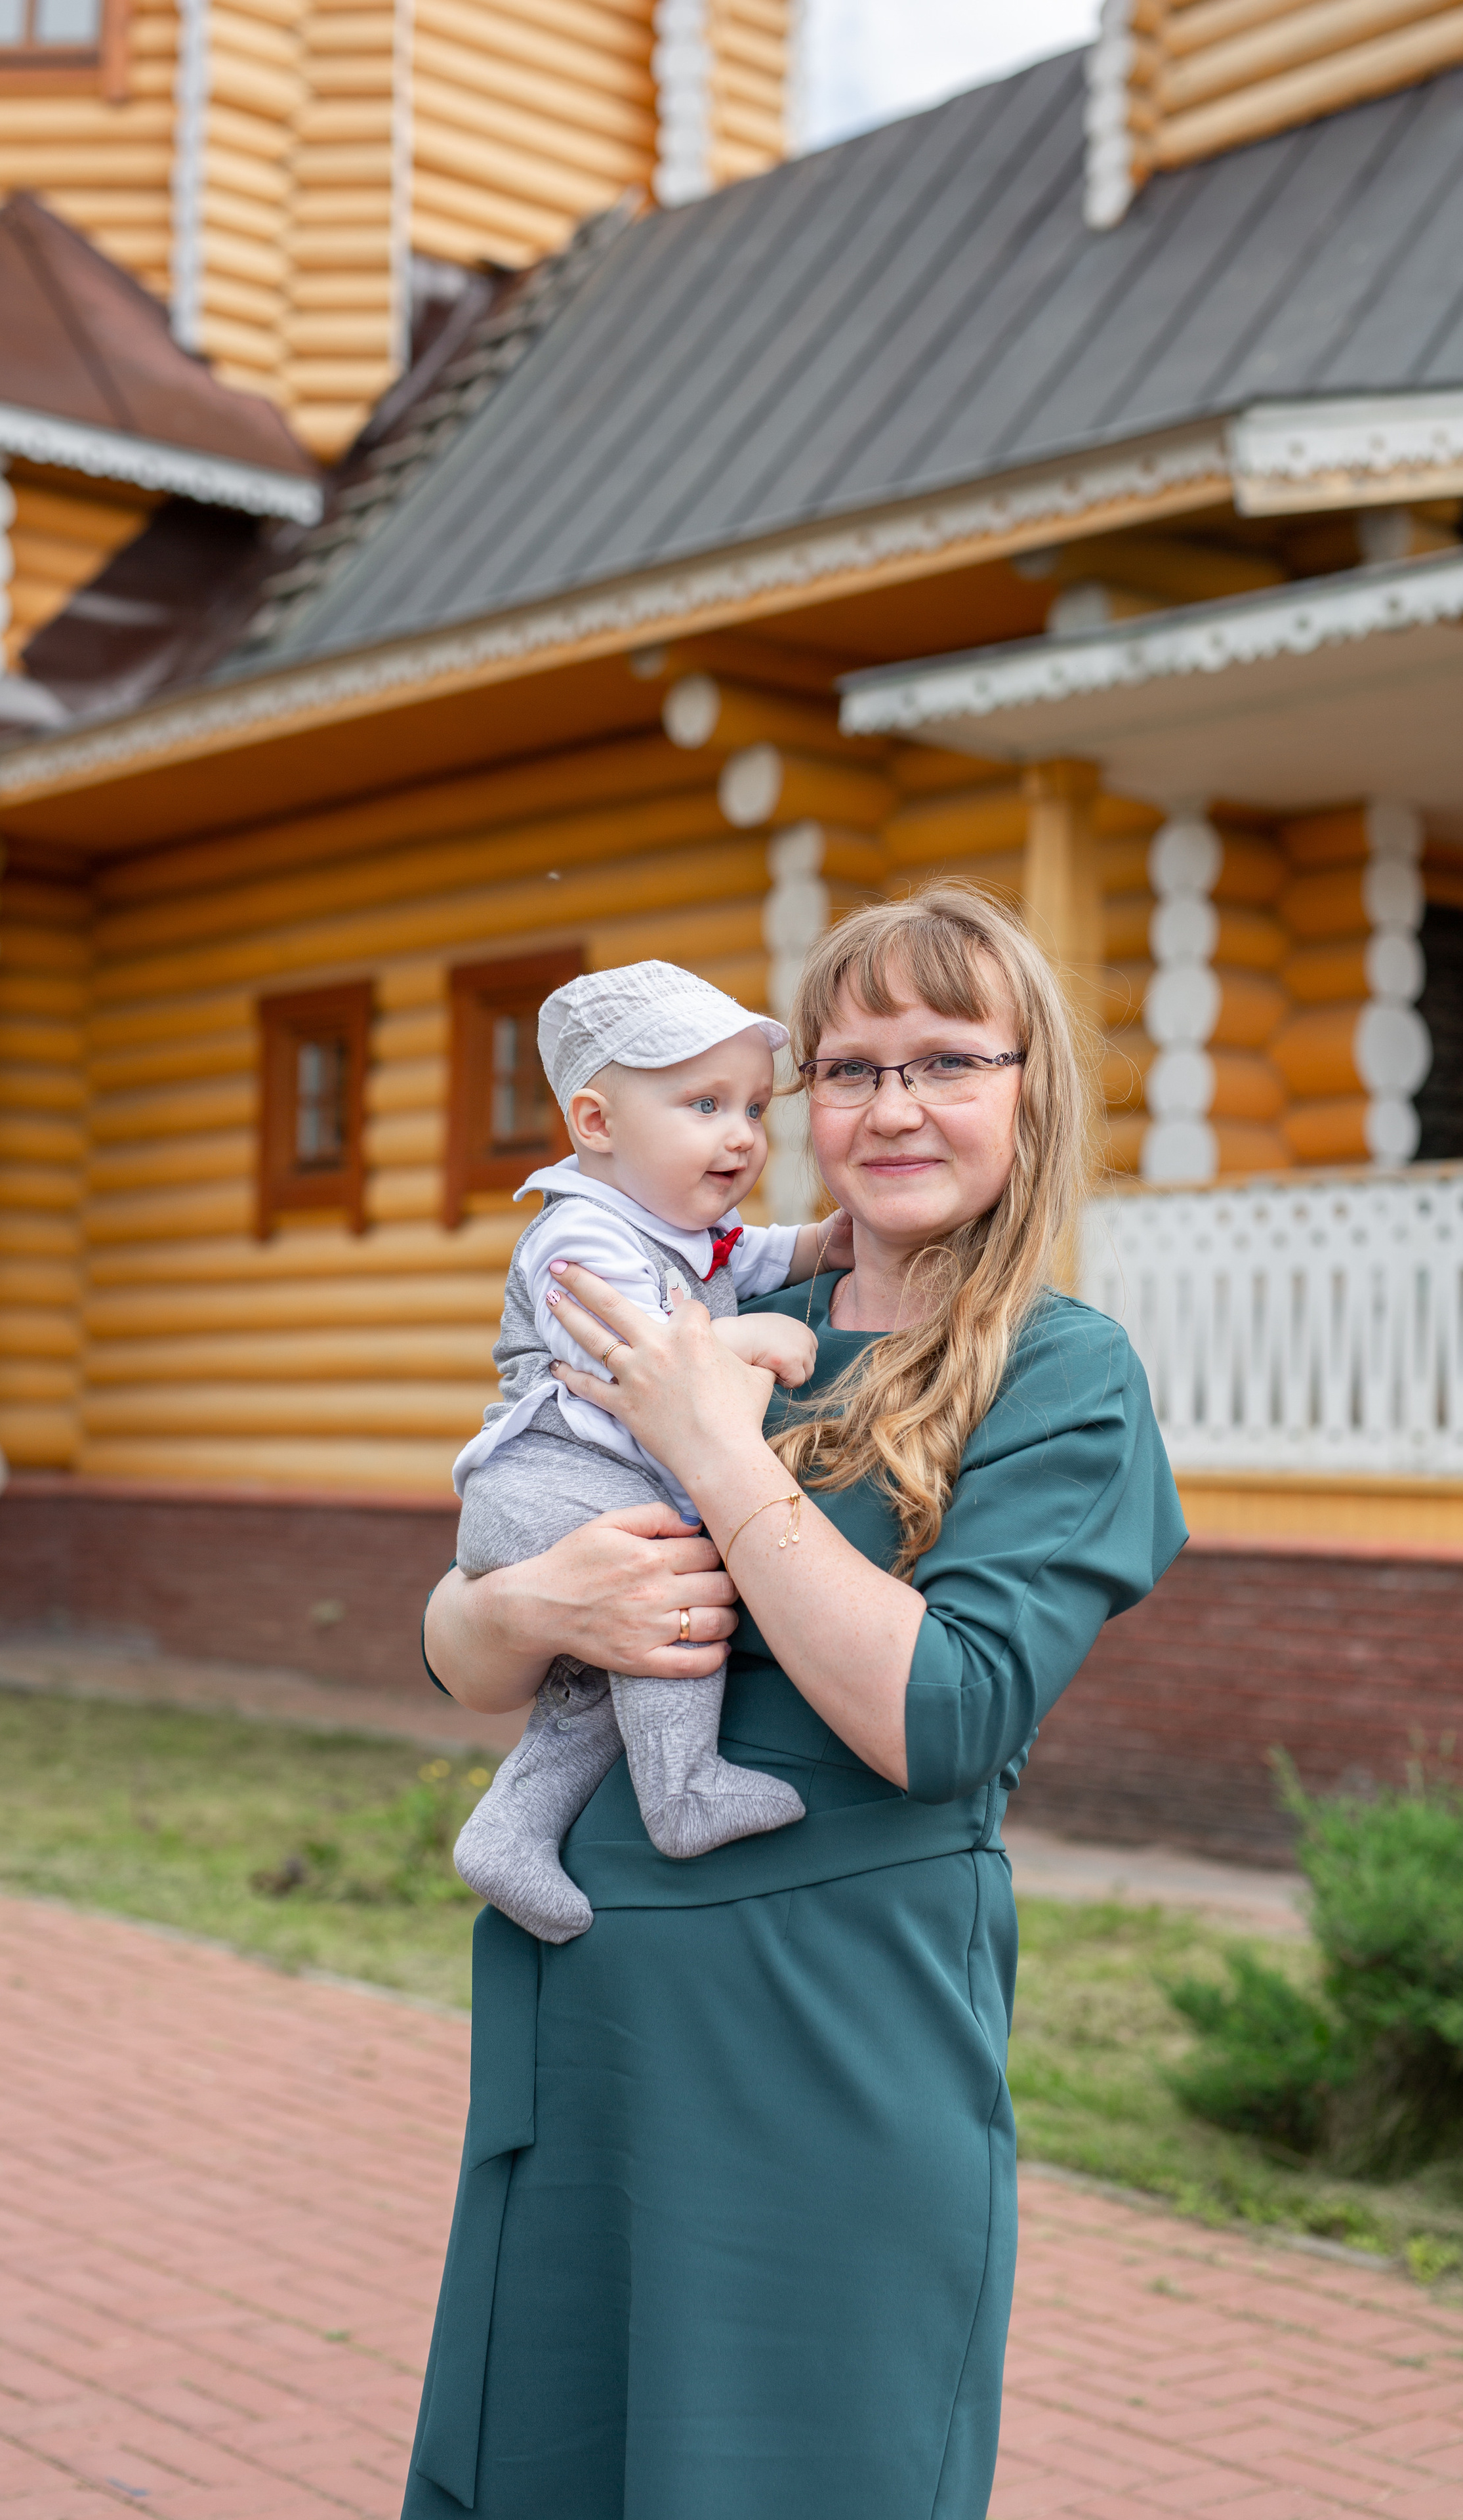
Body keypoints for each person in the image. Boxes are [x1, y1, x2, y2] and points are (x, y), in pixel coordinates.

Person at [403, 885, 1186, 2520]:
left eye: (946, 1060)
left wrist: (713, 1447)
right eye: (845, 1068)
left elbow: (944, 1720)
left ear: (1028, 1090)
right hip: (589, 2016)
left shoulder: (1060, 1372)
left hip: (826, 2040)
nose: (891, 1107)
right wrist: (521, 1607)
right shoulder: (701, 1301)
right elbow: (465, 1656)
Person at [451, 960, 850, 1946]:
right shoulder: (577, 1236)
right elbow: (629, 1355)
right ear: (596, 1123)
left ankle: (509, 1832)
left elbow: (759, 1254)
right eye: (704, 1103)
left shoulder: (688, 1229)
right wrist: (741, 1342)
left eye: (755, 1108)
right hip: (550, 1484)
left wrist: (832, 1244)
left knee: (597, 1681)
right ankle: (682, 1792)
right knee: (674, 1589)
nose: (741, 1134)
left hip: (582, 1490)